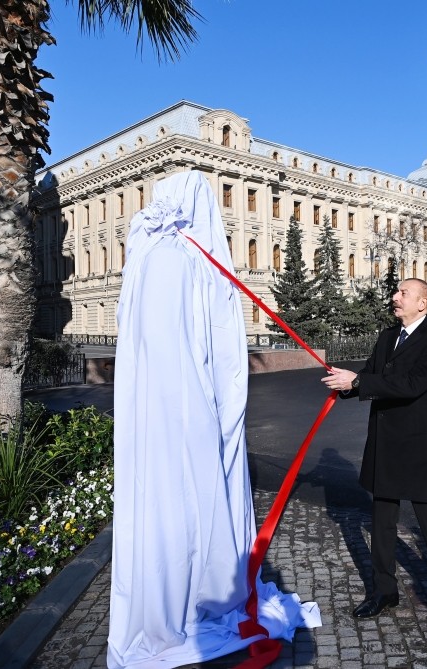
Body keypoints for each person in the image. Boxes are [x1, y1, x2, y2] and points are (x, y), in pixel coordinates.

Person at [108, 170, 320, 668]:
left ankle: (192, 587)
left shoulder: (169, 258)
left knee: (185, 502)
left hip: (181, 407)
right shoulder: (172, 260)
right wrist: (208, 410)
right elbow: (174, 351)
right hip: (183, 411)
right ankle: (190, 594)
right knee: (187, 501)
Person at [321, 278, 427, 626]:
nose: (395, 297)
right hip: (385, 442)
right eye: (396, 292)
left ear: (423, 303)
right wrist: (343, 380)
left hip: (420, 446)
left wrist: (358, 383)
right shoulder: (388, 336)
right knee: (382, 522)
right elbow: (371, 375)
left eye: (404, 293)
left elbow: (411, 385)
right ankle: (383, 591)